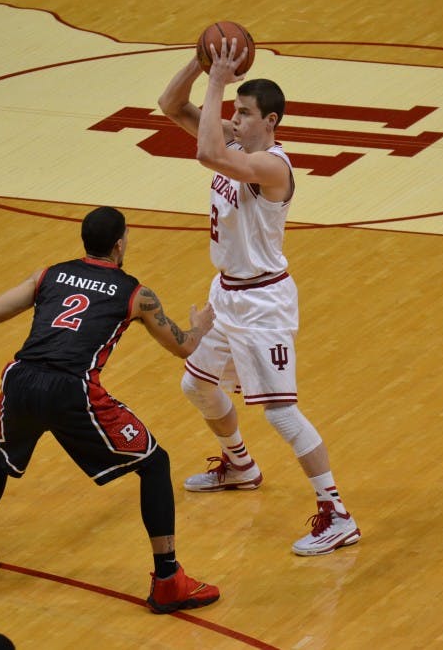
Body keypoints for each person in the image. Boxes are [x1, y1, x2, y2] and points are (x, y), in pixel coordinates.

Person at [0, 206, 220, 614]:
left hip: (20, 379)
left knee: (1, 457)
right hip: (73, 389)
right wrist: (200, 326)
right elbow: (184, 346)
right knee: (154, 464)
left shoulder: (48, 274)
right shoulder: (136, 293)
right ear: (120, 243)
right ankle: (168, 580)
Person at [157, 39, 361, 556]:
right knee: (195, 386)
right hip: (225, 294)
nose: (233, 119)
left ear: (269, 122)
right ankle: (240, 466)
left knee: (282, 414)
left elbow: (207, 154)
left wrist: (220, 81)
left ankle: (338, 515)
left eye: (243, 114)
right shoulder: (237, 141)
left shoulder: (272, 167)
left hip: (264, 304)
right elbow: (170, 107)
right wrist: (200, 64)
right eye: (233, 113)